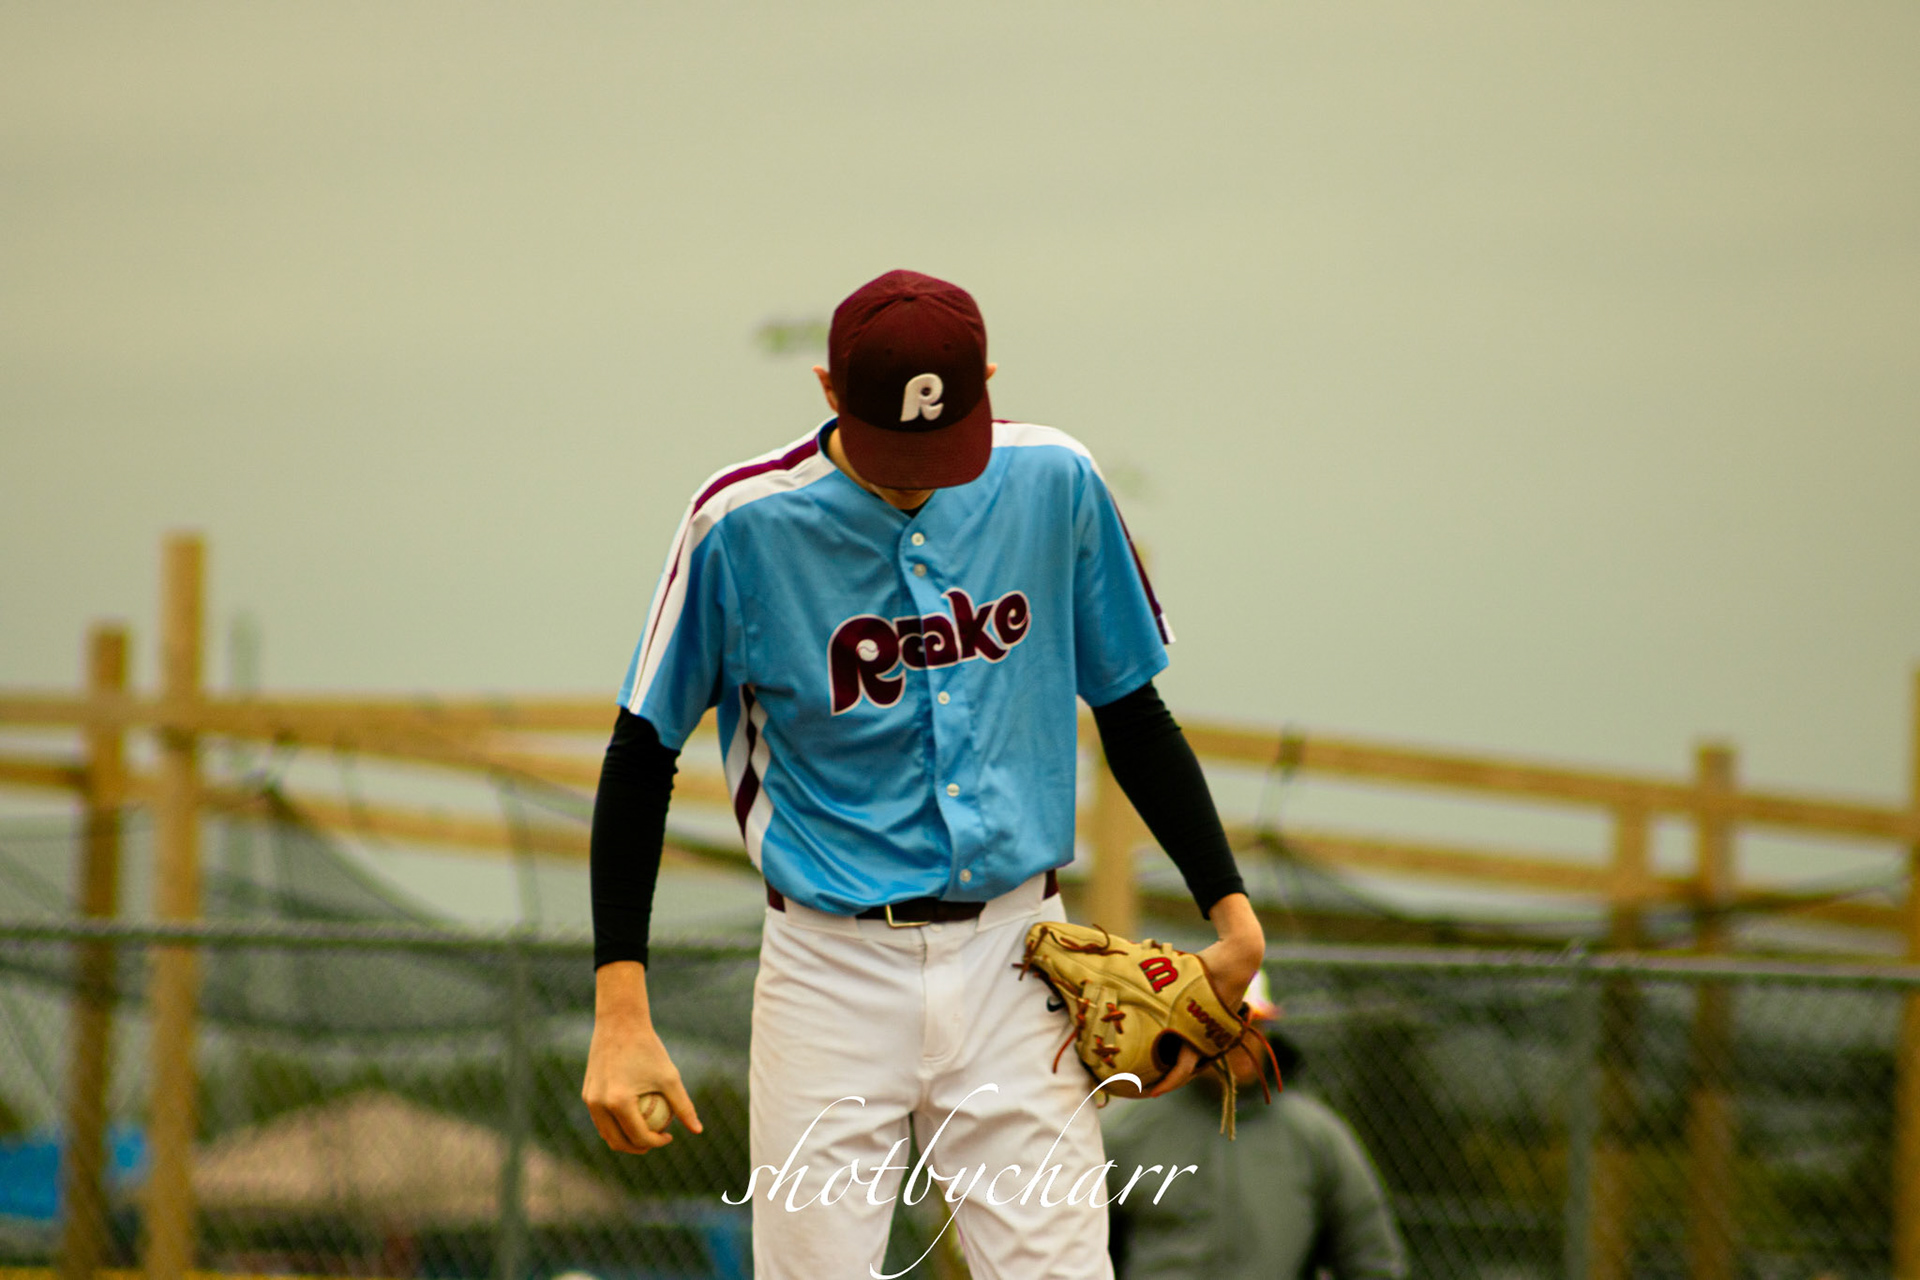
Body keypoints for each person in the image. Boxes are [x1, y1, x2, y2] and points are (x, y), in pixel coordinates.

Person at [581, 269, 1265, 1280]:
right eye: (892, 450)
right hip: (829, 971)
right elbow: (642, 755)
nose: (915, 479)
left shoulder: (1055, 481)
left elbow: (1130, 707)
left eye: (939, 448)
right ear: (827, 390)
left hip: (1019, 961)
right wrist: (620, 1013)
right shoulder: (741, 525)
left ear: (986, 385)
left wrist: (1231, 911)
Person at [1103, 974, 1407, 1280]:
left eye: (1254, 1027)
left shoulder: (1314, 1136)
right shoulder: (1124, 1132)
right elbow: (1083, 1253)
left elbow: (1371, 1260)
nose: (1242, 1042)